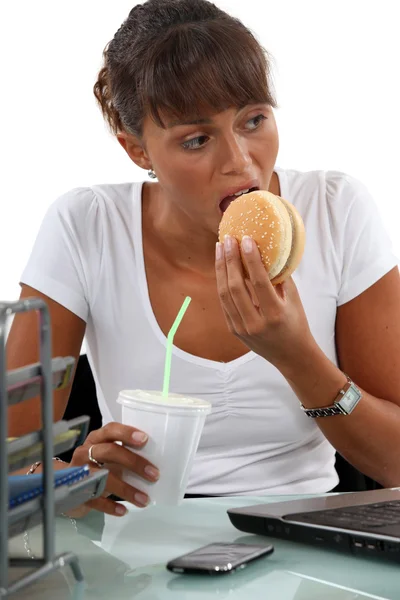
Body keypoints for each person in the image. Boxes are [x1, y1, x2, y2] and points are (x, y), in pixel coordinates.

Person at [7, 0, 400, 519]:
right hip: (138, 550)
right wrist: (74, 480)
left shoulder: (336, 209)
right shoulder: (86, 226)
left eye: (254, 119)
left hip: (311, 534)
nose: (240, 161)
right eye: (196, 140)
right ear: (137, 150)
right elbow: (14, 466)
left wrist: (297, 356)